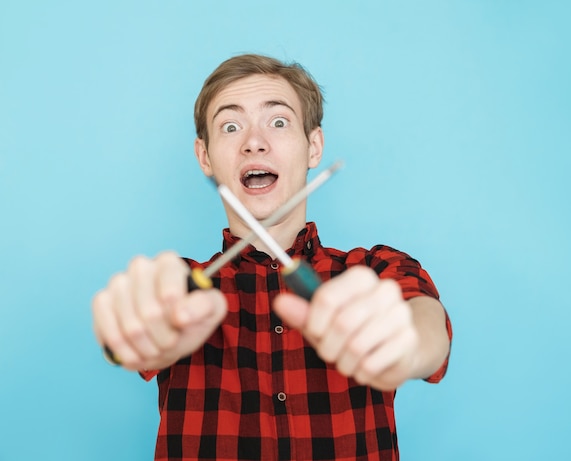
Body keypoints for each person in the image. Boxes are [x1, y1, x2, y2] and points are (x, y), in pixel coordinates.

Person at [92, 53, 453, 461]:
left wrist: (407, 345)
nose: (254, 141)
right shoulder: (182, 283)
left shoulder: (375, 270)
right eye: (230, 126)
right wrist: (135, 328)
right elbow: (141, 322)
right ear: (205, 158)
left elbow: (429, 332)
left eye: (278, 122)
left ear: (314, 146)